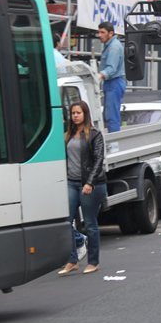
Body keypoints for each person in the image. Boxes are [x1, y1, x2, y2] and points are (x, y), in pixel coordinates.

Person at [58, 99, 107, 275]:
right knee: (65, 221)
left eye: (79, 113)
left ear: (85, 114)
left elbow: (98, 160)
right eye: (73, 113)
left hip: (91, 185)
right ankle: (73, 260)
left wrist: (90, 182)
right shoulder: (67, 134)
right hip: (71, 182)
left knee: (90, 223)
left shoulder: (94, 134)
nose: (75, 116)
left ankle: (93, 261)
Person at [97, 21, 126, 132]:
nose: (99, 35)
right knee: (109, 115)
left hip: (114, 83)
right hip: (111, 83)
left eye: (102, 32)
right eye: (99, 32)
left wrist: (99, 75)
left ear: (111, 33)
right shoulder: (110, 45)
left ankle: (114, 146)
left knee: (111, 116)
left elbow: (111, 68)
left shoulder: (114, 47)